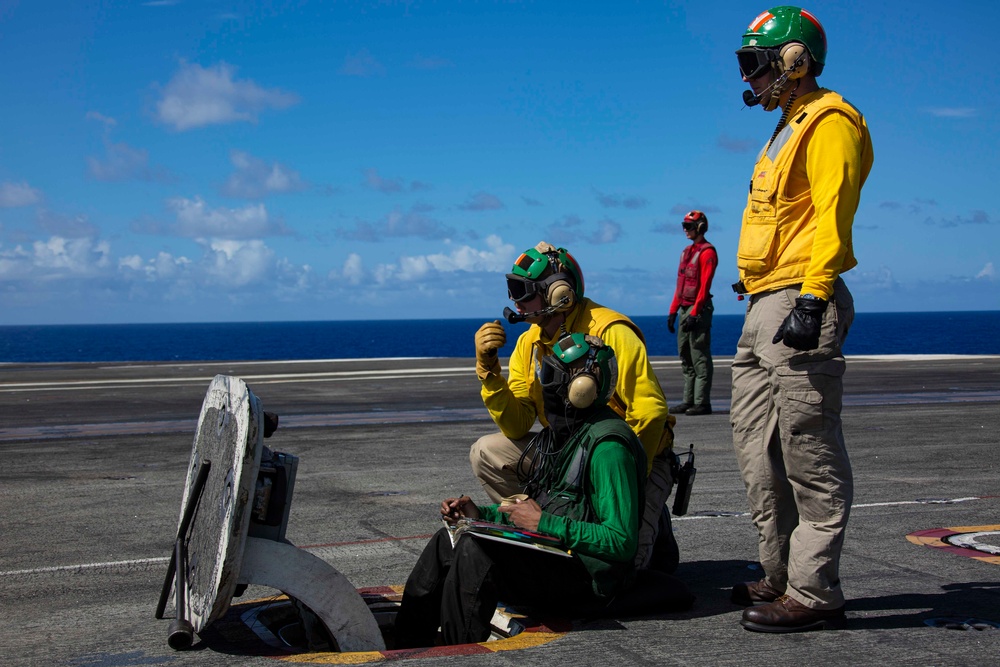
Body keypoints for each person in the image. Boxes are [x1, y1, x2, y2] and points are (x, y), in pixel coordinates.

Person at [729, 6, 874, 633]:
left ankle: (815, 595)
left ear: (796, 61)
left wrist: (814, 298)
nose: (750, 77)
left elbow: (831, 215)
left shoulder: (830, 122)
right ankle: (780, 572)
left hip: (798, 298)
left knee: (808, 452)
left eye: (757, 63)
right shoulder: (785, 127)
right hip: (764, 304)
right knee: (758, 455)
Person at [394, 335, 647, 647]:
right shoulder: (567, 435)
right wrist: (479, 514)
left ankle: (455, 651)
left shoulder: (608, 448)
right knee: (449, 540)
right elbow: (539, 508)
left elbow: (621, 541)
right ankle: (406, 643)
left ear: (580, 390)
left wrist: (544, 524)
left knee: (475, 551)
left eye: (552, 378)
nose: (545, 386)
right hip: (557, 556)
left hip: (587, 580)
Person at [470, 242, 677, 572]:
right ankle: (552, 528)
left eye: (522, 291)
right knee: (488, 452)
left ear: (557, 294)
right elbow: (517, 425)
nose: (515, 301)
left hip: (619, 460)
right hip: (568, 458)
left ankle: (641, 514)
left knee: (624, 567)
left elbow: (650, 412)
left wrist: (626, 479)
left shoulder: (611, 332)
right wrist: (489, 371)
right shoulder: (529, 342)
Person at [667, 210, 718, 417]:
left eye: (689, 226)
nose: (685, 230)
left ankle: (702, 402)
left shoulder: (708, 253)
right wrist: (673, 311)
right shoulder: (686, 252)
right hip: (684, 309)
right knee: (685, 355)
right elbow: (680, 285)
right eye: (684, 226)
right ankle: (688, 400)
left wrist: (695, 313)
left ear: (700, 227)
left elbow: (704, 287)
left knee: (699, 355)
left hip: (699, 308)